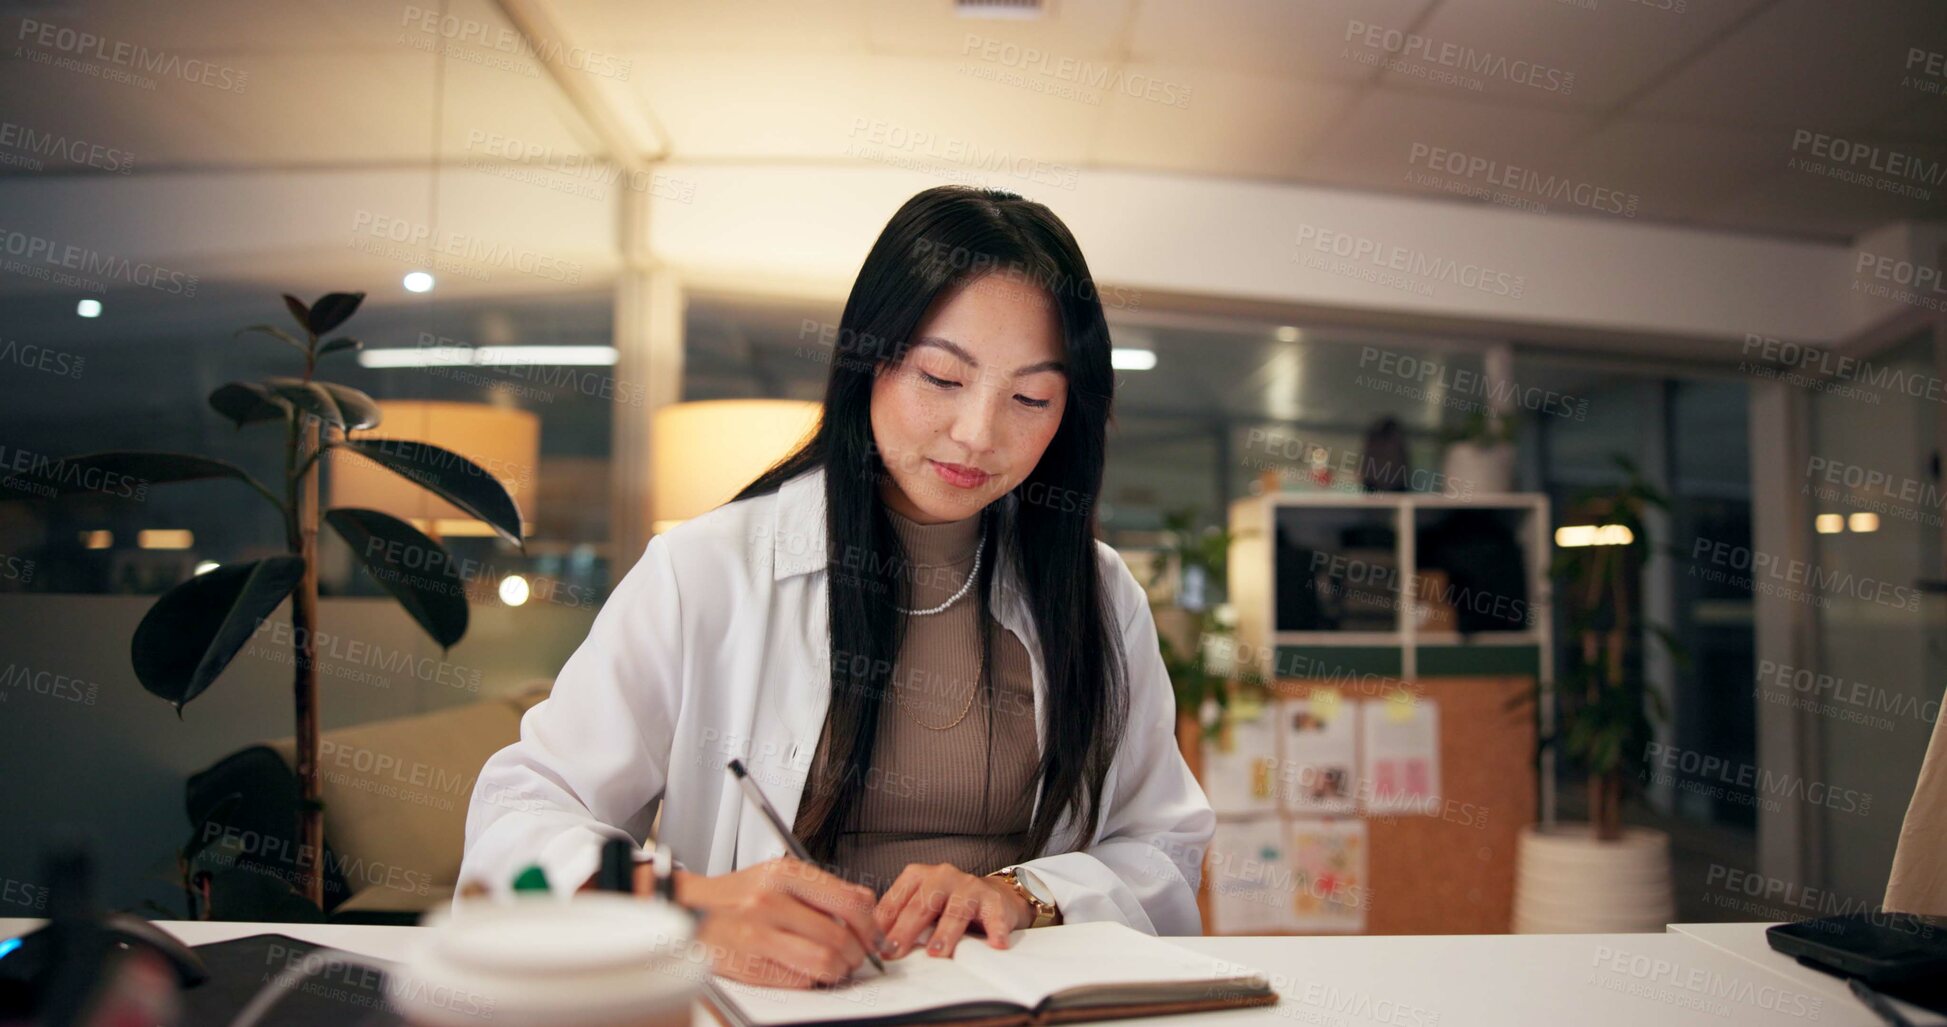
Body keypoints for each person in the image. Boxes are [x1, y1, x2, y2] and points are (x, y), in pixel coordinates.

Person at [459, 185, 1215, 989]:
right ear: (870, 361)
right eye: (940, 377)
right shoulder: (706, 570)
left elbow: (1160, 847)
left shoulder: (1095, 593)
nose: (978, 433)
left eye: (1030, 398)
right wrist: (688, 907)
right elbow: (518, 818)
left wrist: (1028, 892)